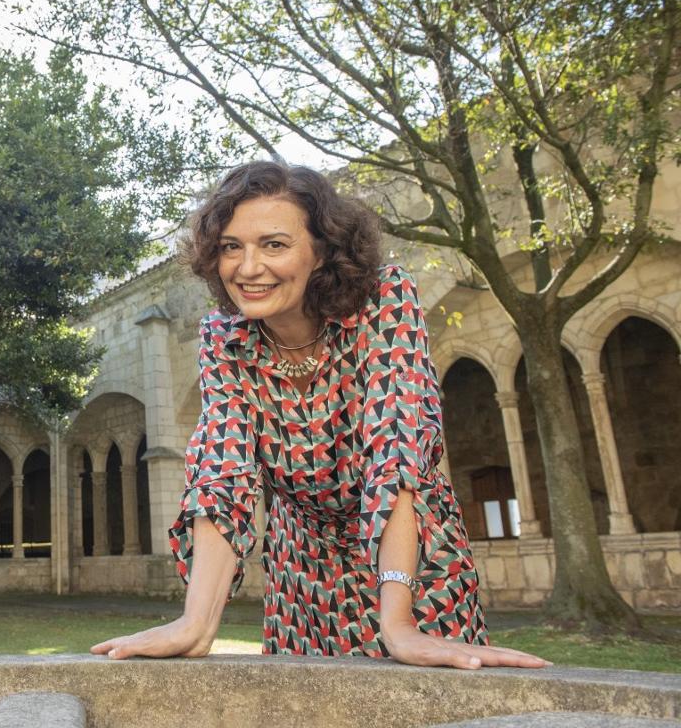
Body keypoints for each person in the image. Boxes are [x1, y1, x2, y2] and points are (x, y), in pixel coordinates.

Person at [91, 161, 549, 670]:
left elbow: (394, 449)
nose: (247, 267)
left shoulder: (384, 302)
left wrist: (397, 622)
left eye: (274, 244)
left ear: (322, 252)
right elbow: (222, 471)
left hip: (410, 557)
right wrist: (195, 624)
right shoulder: (224, 340)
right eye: (230, 246)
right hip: (301, 571)